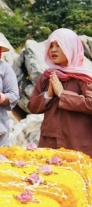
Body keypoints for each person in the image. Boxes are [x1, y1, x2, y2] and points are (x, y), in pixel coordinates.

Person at [27, 28, 92, 156]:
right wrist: (48, 95)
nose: (53, 50)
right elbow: (32, 106)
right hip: (50, 141)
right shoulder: (47, 76)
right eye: (51, 46)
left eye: (59, 45)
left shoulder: (84, 77)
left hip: (77, 143)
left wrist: (63, 94)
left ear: (71, 48)